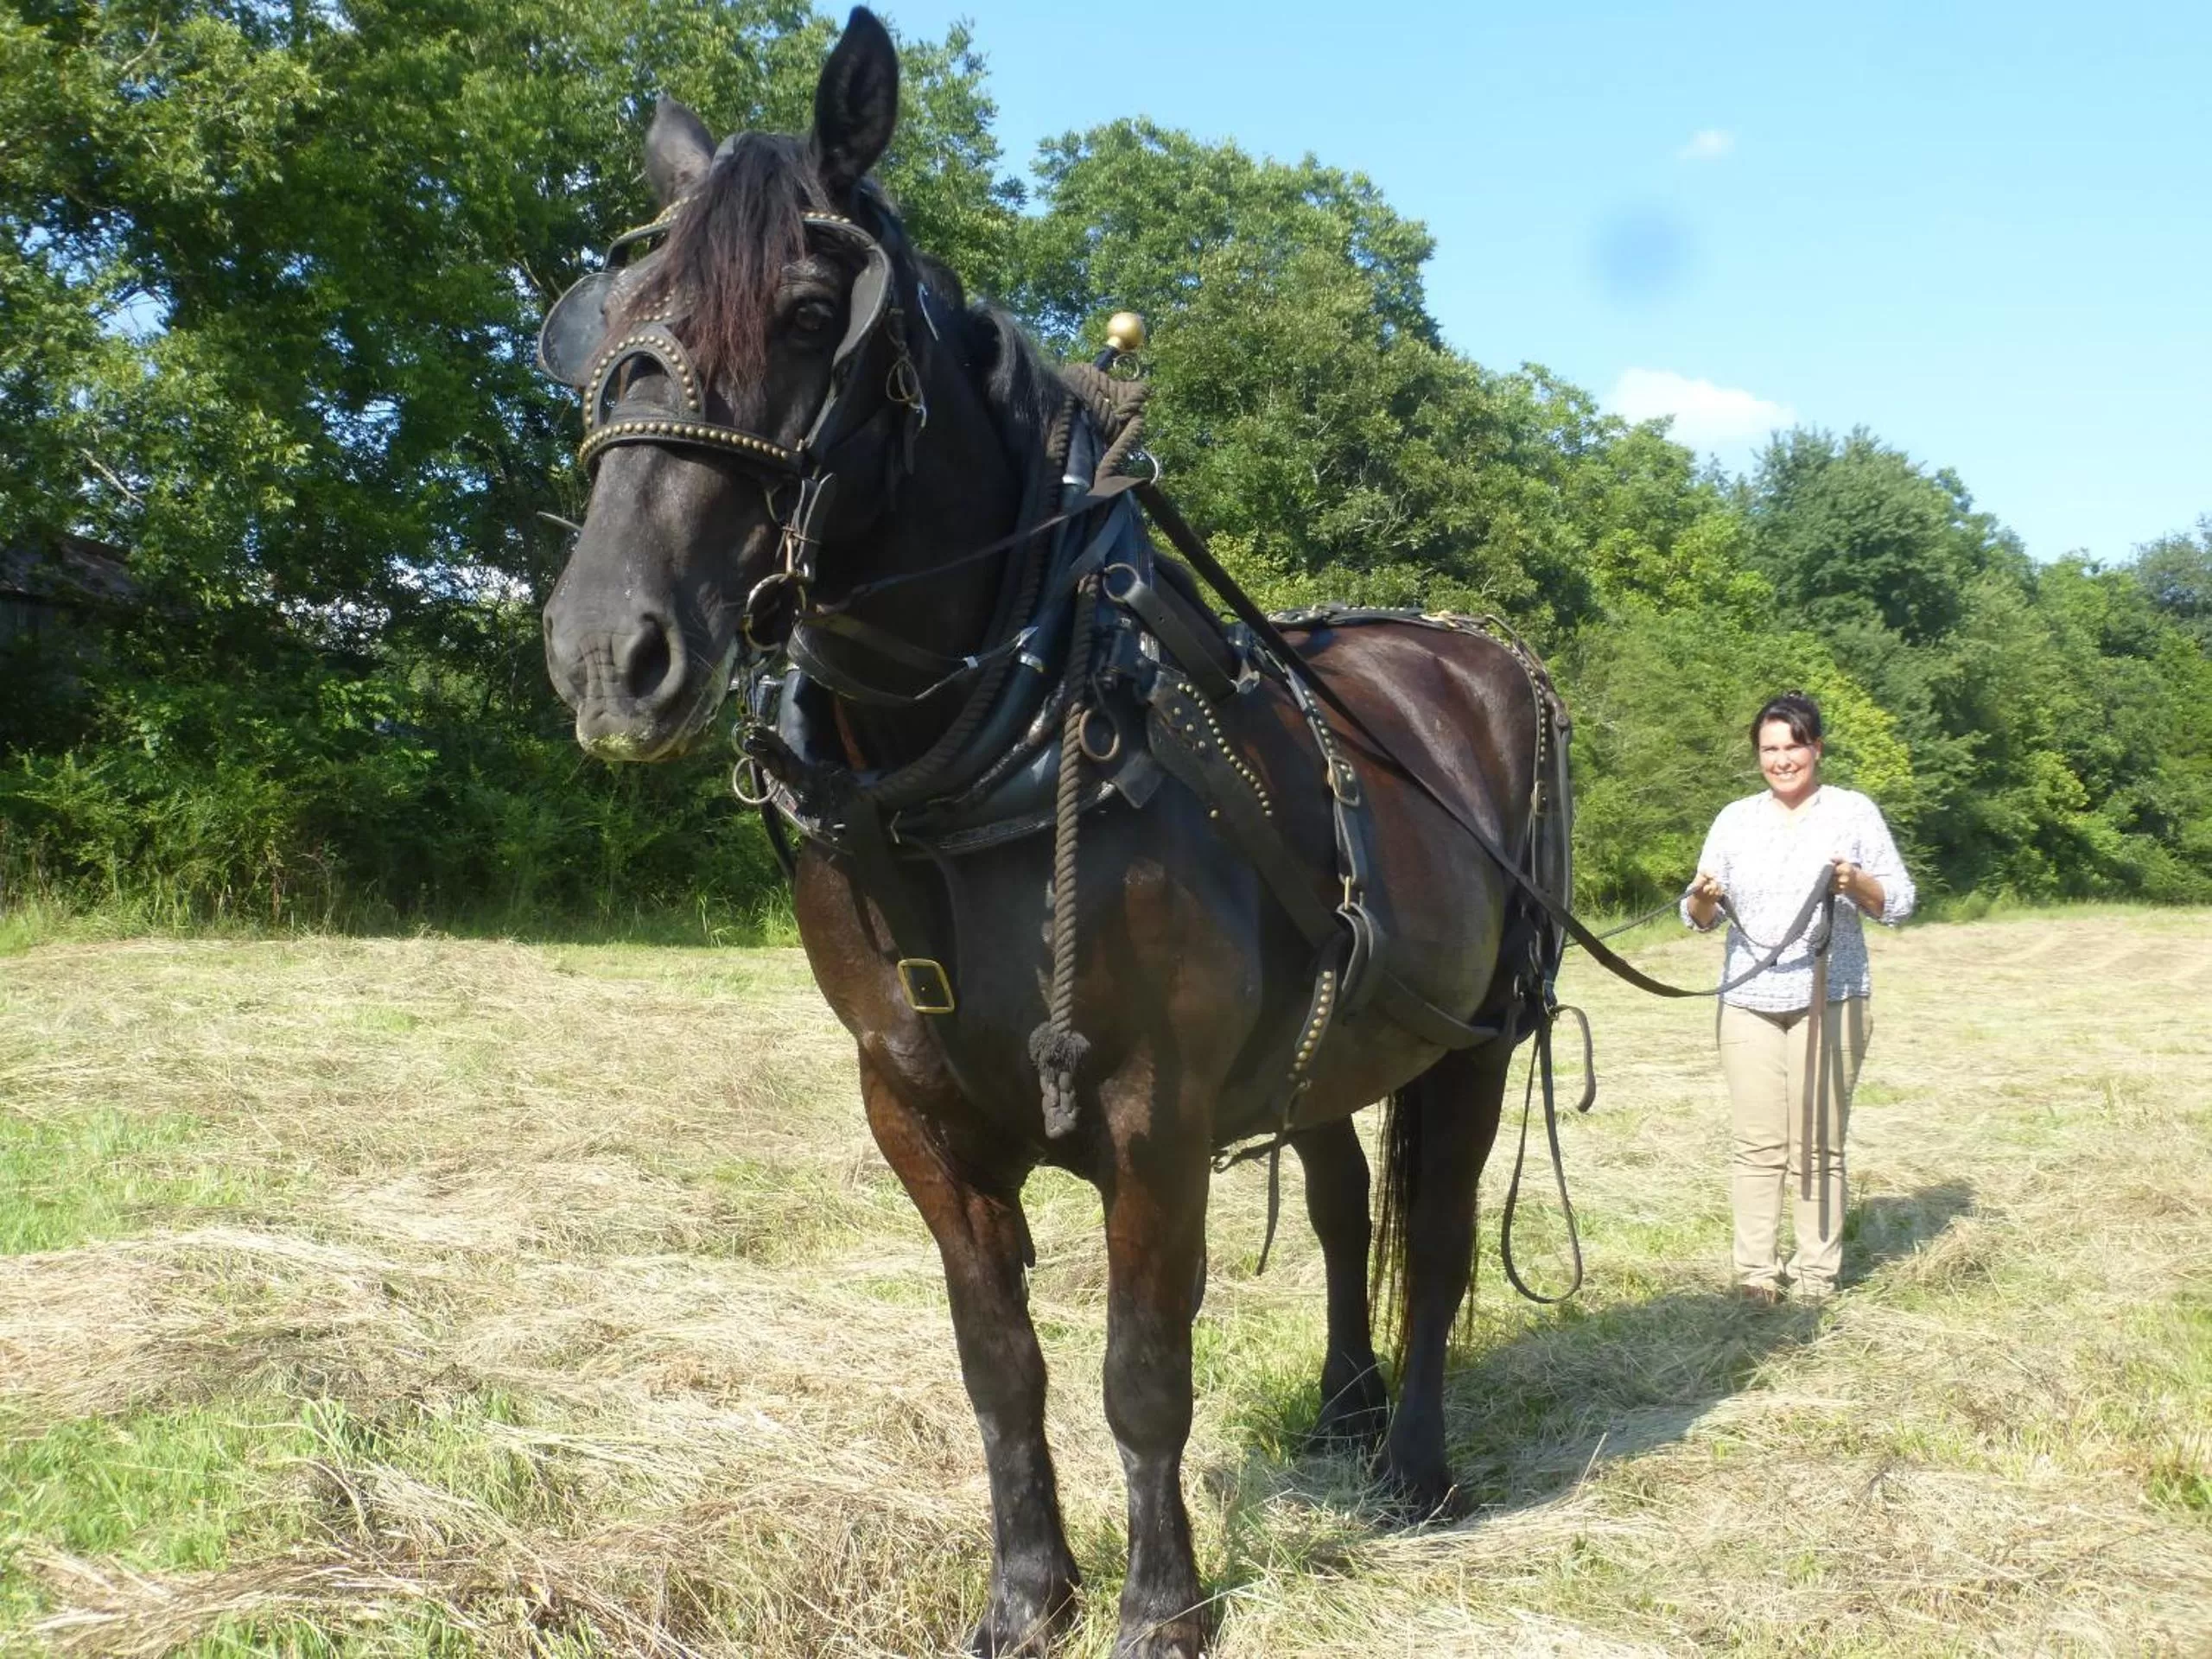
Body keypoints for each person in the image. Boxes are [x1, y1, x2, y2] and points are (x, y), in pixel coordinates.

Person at [1682, 690, 1915, 1305]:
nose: (1782, 759)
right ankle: (1756, 1274)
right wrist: (1703, 896)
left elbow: (1901, 900)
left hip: (1830, 996)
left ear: (1816, 747)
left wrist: (1858, 882)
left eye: (1793, 746)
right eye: (1769, 749)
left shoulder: (1853, 811)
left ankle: (1816, 1277)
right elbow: (1698, 914)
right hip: (1749, 999)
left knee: (1818, 1140)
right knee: (1757, 1143)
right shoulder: (1734, 818)